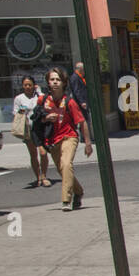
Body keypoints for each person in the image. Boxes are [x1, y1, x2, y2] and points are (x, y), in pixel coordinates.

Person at [39, 67, 93, 211]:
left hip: (69, 137)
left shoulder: (69, 102)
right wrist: (45, 118)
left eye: (58, 80)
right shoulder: (43, 100)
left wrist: (88, 143)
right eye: (52, 79)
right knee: (63, 170)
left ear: (63, 83)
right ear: (48, 83)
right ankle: (79, 191)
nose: (55, 82)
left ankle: (66, 200)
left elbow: (82, 122)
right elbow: (36, 119)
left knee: (67, 164)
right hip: (52, 140)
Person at [13, 76, 50, 188]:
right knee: (33, 154)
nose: (28, 87)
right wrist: (24, 109)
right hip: (28, 129)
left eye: (30, 85)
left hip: (39, 128)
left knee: (43, 153)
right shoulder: (19, 98)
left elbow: (46, 103)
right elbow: (16, 114)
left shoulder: (39, 96)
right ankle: (38, 177)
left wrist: (39, 92)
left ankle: (44, 176)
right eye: (25, 85)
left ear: (34, 85)